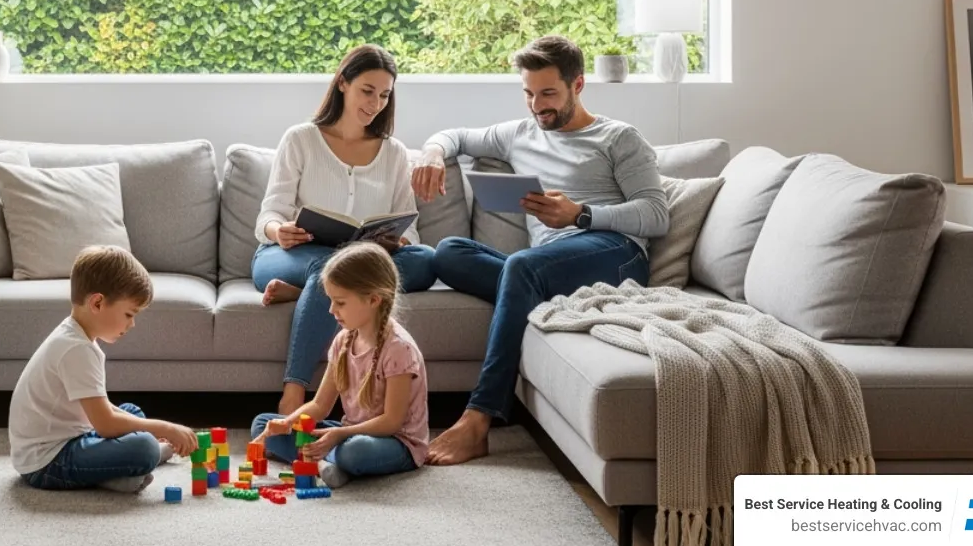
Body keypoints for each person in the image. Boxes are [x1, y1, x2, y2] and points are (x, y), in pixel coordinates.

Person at [413, 35, 667, 465]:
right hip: (544, 267)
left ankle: (479, 417)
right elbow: (453, 134)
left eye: (548, 93)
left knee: (522, 267)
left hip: (614, 251)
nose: (536, 105)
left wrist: (581, 215)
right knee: (449, 252)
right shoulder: (519, 134)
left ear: (578, 85)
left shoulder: (619, 138)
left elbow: (656, 214)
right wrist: (433, 153)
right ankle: (535, 300)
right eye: (528, 94)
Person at [252, 44, 437, 414]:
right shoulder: (301, 139)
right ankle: (294, 390)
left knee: (428, 261)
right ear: (343, 84)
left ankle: (305, 292)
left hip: (362, 259)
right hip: (291, 254)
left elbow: (410, 229)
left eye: (384, 95)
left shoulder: (395, 153)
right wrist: (278, 230)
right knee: (330, 269)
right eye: (367, 91)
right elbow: (268, 215)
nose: (375, 103)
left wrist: (397, 240)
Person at [10, 245, 199, 491]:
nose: (131, 325)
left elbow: (102, 410)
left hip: (72, 436)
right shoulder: (77, 349)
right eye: (129, 314)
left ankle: (120, 473)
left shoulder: (75, 336)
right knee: (144, 446)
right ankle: (128, 470)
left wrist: (149, 427)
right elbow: (106, 425)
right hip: (46, 463)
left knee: (132, 412)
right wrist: (165, 427)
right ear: (97, 303)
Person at [249, 242, 429, 488]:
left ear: (374, 299)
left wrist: (339, 435)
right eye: (331, 301)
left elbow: (392, 422)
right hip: (350, 431)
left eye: (340, 302)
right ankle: (326, 464)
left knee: (353, 452)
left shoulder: (399, 349)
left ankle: (326, 460)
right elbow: (320, 405)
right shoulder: (344, 339)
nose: (332, 310)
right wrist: (287, 422)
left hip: (395, 442)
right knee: (263, 423)